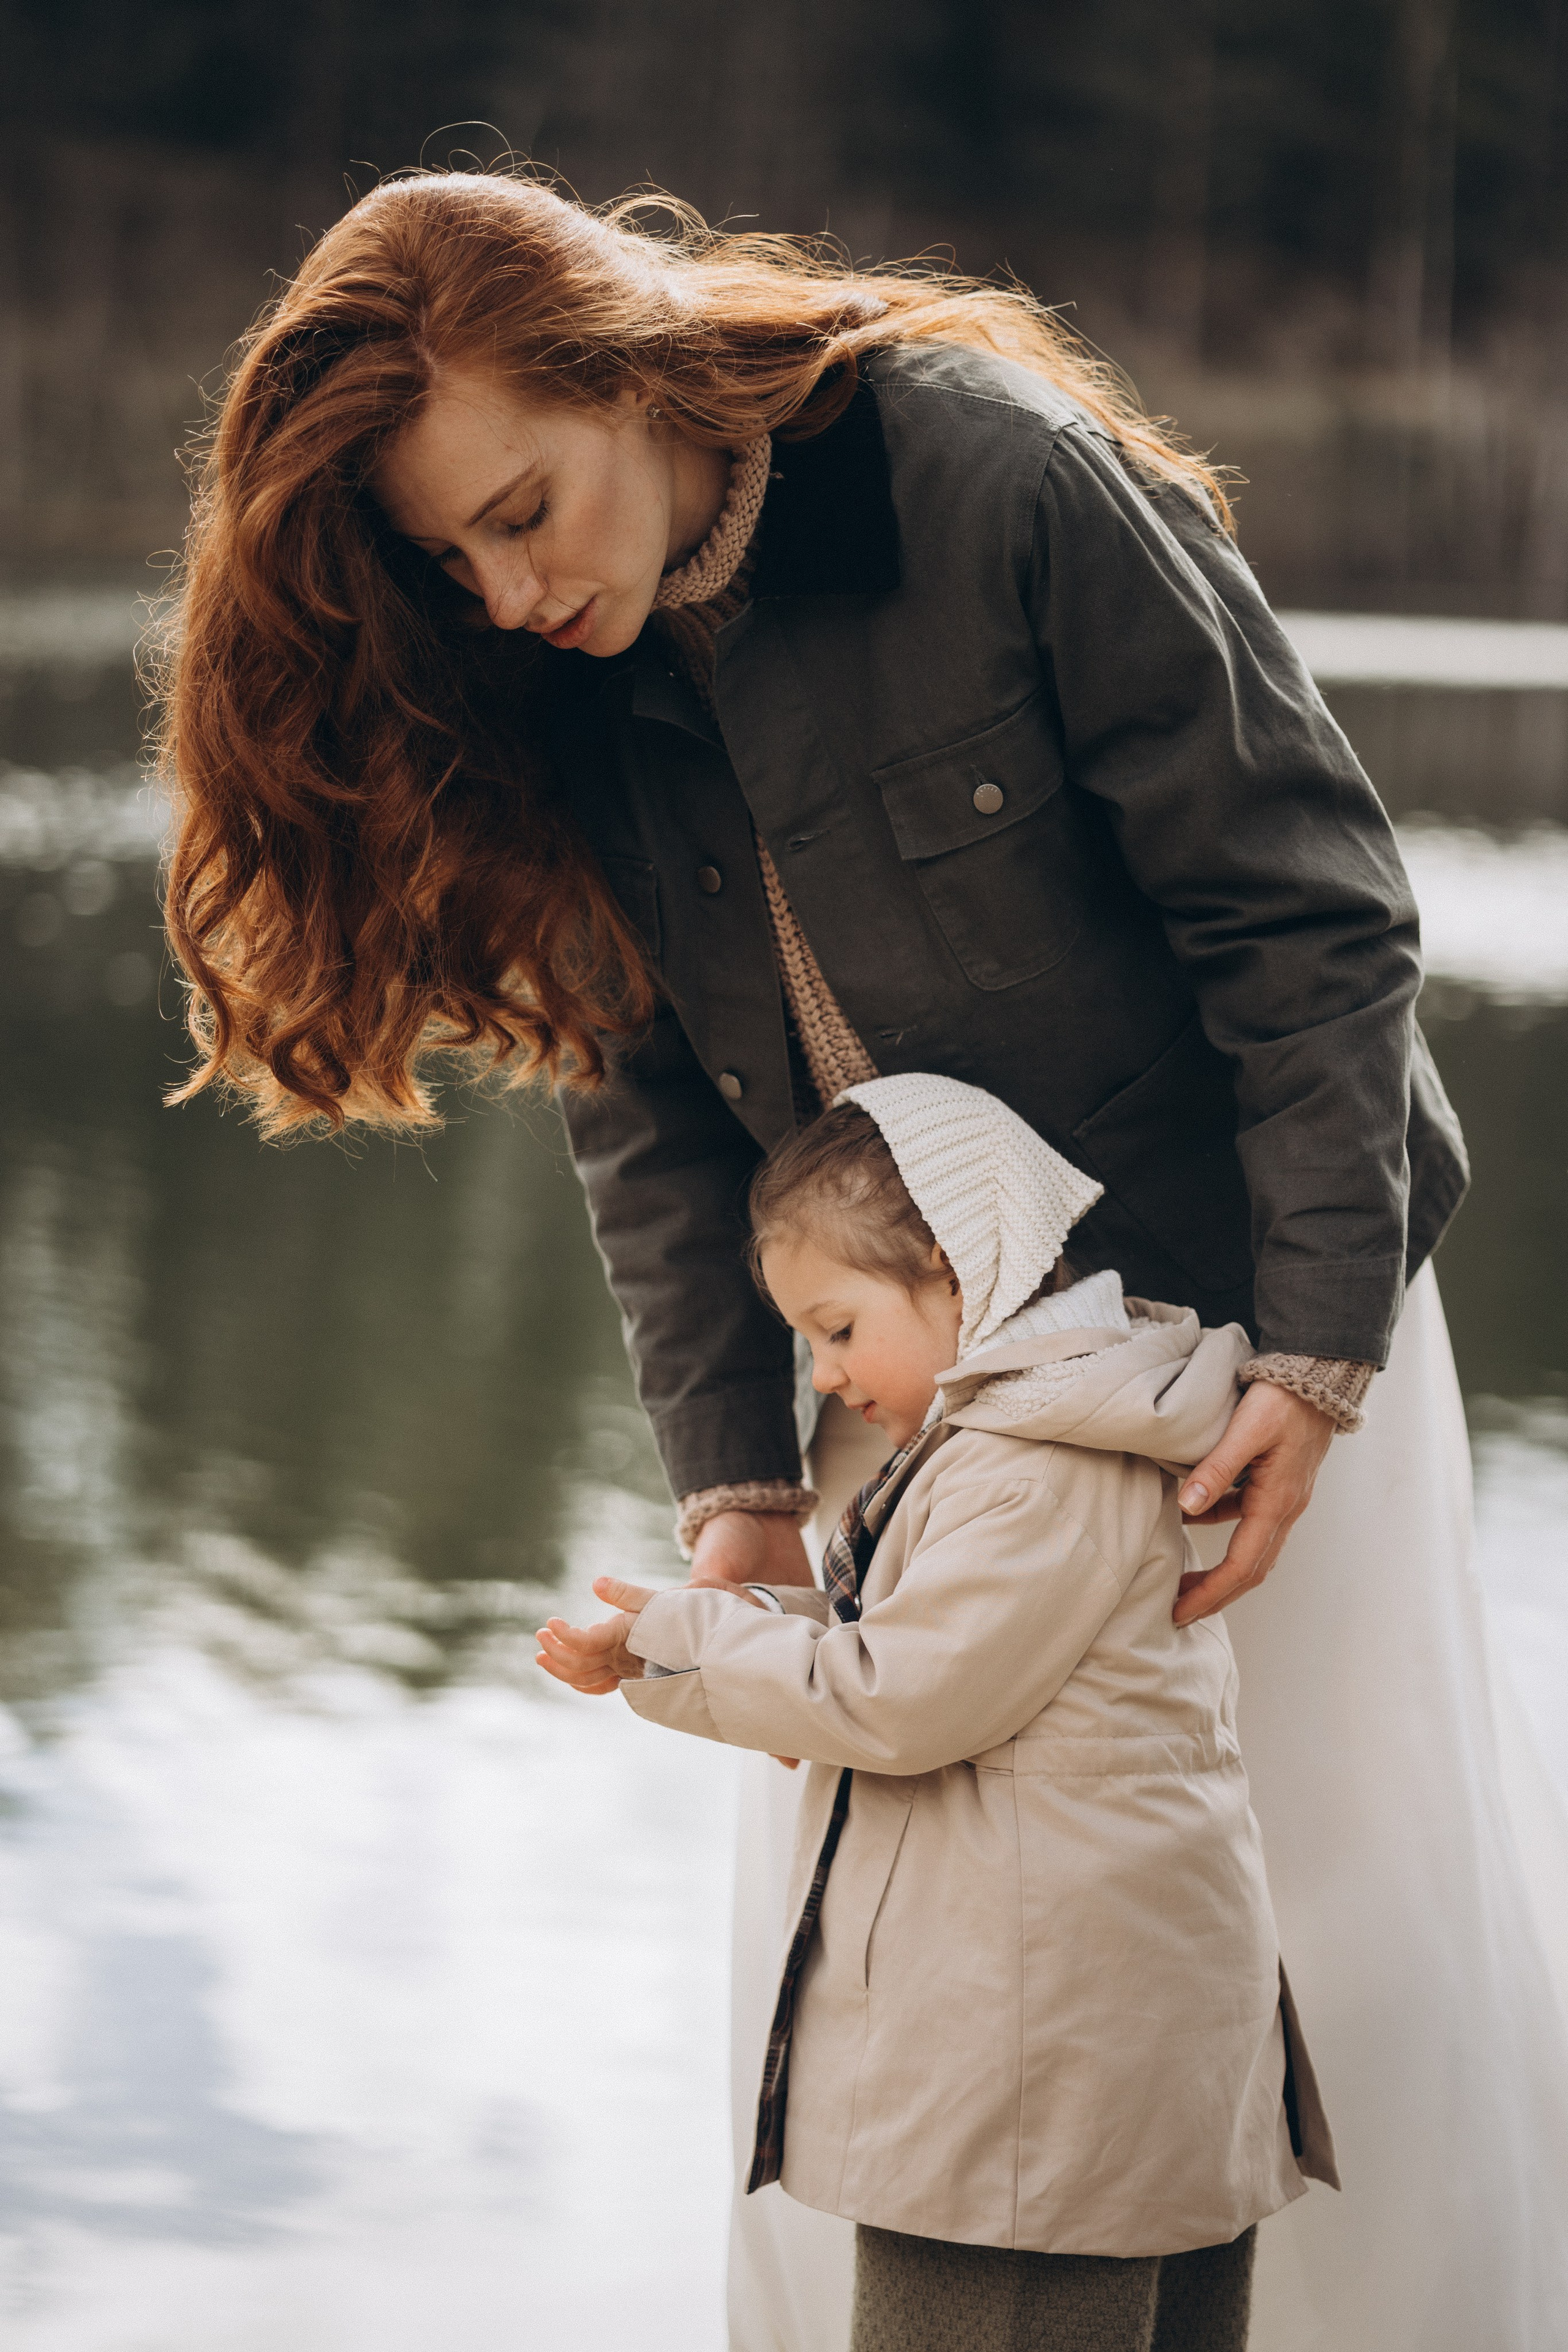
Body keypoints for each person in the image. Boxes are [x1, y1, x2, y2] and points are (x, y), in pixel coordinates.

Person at [156, 170, 1568, 2350]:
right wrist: (732, 1482)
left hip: (1252, 1361)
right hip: (900, 1420)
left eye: (525, 508)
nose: (511, 587)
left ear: (622, 364)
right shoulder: (567, 675)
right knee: (899, 2003)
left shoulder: (996, 484)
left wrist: (1312, 1365)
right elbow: (642, 1103)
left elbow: (1312, 925)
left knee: (1333, 1949)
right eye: (455, 558)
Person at [538, 1073, 1341, 2352]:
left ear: (959, 1276)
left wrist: (685, 1637)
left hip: (1033, 2083)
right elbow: (928, 1655)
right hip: (1080, 2048)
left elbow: (899, 1701)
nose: (824, 1374)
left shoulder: (1033, 1468)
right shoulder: (1027, 1440)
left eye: (840, 1327)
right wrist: (664, 1647)